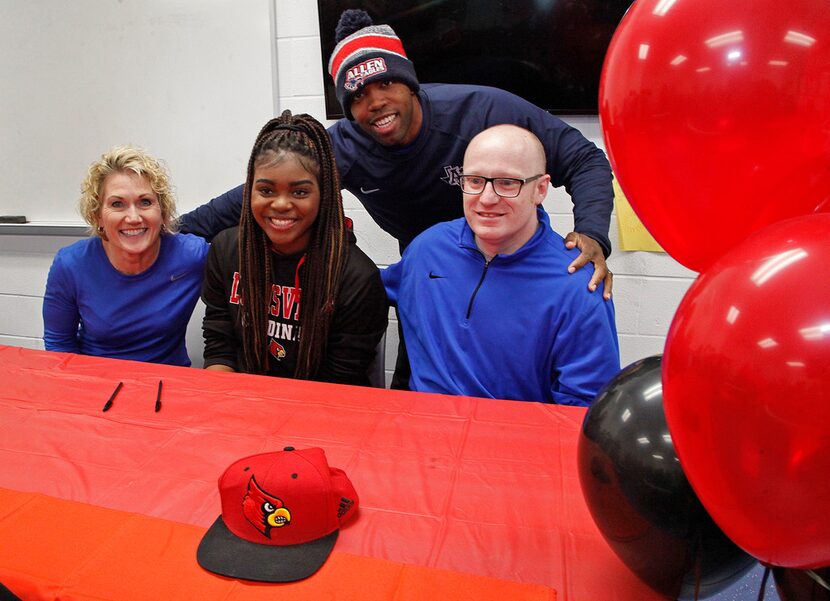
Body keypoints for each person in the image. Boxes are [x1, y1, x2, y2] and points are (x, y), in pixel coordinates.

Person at [180, 8, 616, 387]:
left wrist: (593, 232)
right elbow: (254, 195)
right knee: (422, 382)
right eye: (358, 96)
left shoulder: (484, 112)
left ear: (409, 82)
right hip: (432, 273)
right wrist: (160, 232)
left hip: (514, 269)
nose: (376, 102)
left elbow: (585, 159)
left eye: (386, 83)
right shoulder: (345, 147)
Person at [382, 125, 620, 405]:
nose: (487, 198)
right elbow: (366, 290)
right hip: (424, 431)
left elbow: (584, 410)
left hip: (513, 441)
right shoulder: (428, 250)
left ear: (540, 189)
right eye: (474, 181)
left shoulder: (579, 285)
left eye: (508, 183)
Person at [200, 111, 387, 386]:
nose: (280, 204)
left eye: (299, 192)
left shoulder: (357, 277)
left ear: (324, 195)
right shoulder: (227, 250)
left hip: (320, 411)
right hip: (240, 401)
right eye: (266, 190)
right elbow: (220, 346)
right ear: (249, 191)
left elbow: (341, 380)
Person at [43, 146, 209, 366]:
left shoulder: (192, 256)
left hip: (169, 385)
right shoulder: (71, 265)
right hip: (98, 385)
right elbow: (59, 345)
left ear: (162, 211)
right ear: (98, 215)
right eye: (117, 204)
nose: (133, 217)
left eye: (145, 202)